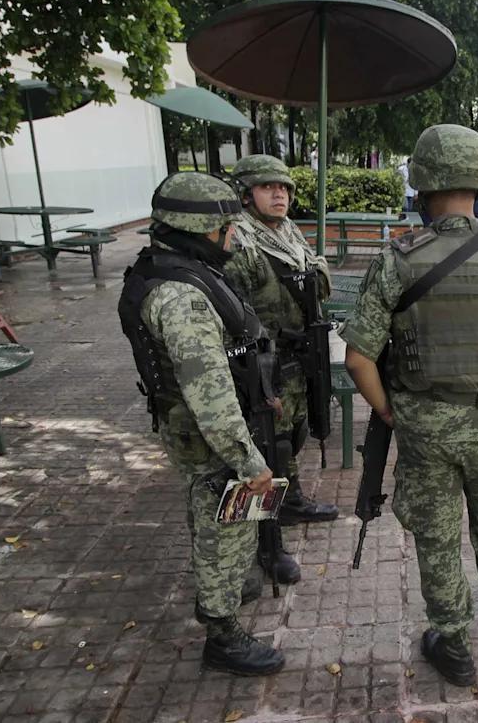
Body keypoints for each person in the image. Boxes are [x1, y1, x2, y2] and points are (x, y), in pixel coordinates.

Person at [342, 124, 478, 686]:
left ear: (419, 184)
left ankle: (453, 642)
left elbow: (357, 359)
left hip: (425, 426)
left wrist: (391, 411)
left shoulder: (398, 258)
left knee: (437, 533)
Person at [117, 172, 284, 676]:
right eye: (225, 227)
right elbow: (208, 395)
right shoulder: (181, 297)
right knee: (221, 526)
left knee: (218, 520)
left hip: (204, 427)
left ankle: (228, 588)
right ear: (200, 230)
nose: (233, 236)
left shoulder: (174, 271)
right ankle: (222, 632)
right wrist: (249, 459)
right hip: (212, 435)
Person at [225, 156, 340, 571]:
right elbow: (235, 313)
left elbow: (318, 276)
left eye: (285, 187)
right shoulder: (240, 240)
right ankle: (262, 544)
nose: (279, 194)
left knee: (290, 436)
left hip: (294, 354)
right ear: (246, 194)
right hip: (259, 361)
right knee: (262, 448)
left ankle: (288, 503)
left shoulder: (286, 231)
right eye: (267, 187)